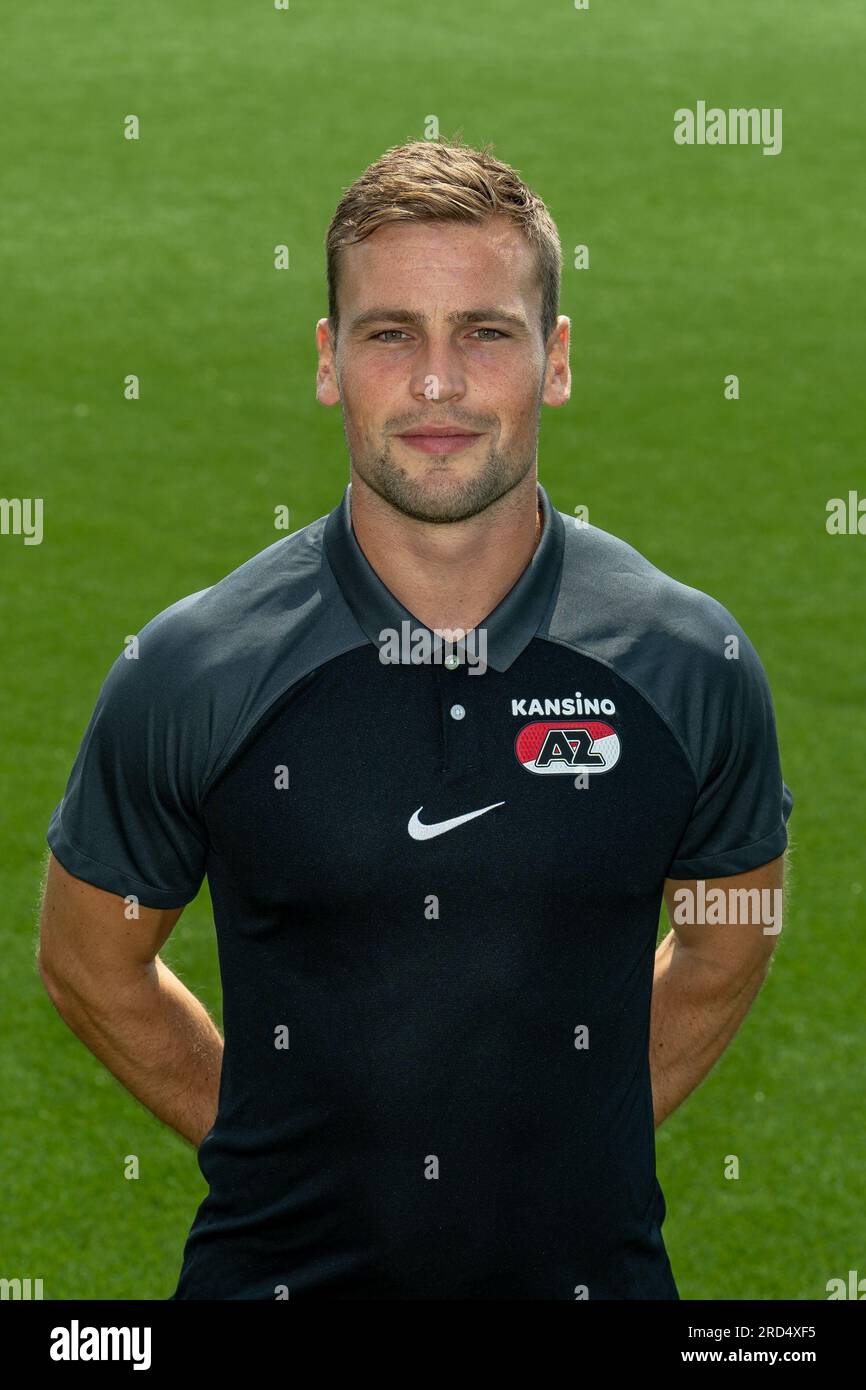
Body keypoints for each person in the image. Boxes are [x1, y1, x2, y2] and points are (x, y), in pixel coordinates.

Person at [38, 137, 793, 1300]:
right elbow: (89, 959)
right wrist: (284, 1142)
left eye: (485, 331)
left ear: (556, 360)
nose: (437, 383)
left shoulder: (689, 662)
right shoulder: (192, 668)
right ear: (331, 362)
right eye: (391, 333)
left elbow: (727, 936)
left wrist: (557, 1148)